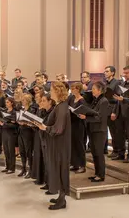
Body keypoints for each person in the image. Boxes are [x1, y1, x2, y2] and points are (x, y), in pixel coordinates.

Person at [37, 81, 71, 210]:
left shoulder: (62, 107)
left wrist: (45, 128)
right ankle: (60, 197)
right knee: (57, 169)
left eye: (51, 91)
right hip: (57, 143)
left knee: (61, 169)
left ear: (57, 92)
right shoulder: (59, 106)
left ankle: (62, 201)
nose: (50, 93)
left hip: (60, 145)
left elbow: (59, 129)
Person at [78, 81, 108, 182]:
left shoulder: (104, 101)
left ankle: (101, 175)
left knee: (99, 153)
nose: (92, 91)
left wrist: (85, 117)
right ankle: (97, 173)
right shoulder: (96, 100)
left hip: (99, 130)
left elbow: (99, 117)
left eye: (94, 89)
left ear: (99, 90)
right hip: (93, 129)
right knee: (94, 152)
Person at [112, 65, 129, 163]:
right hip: (119, 112)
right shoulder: (122, 84)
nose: (125, 75)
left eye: (127, 73)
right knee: (120, 134)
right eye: (124, 73)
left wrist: (124, 99)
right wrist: (114, 112)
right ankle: (121, 154)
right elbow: (117, 99)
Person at [37, 93, 56, 191]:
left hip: (50, 139)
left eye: (44, 100)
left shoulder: (53, 112)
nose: (41, 102)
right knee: (46, 162)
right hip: (43, 138)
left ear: (50, 101)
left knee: (50, 163)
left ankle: (53, 186)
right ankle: (48, 183)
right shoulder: (43, 111)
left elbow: (50, 126)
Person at [68, 82, 86, 173]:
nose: (71, 90)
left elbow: (83, 112)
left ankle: (82, 165)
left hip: (78, 124)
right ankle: (74, 164)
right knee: (72, 145)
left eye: (73, 88)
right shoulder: (71, 98)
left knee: (79, 145)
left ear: (78, 89)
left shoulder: (82, 100)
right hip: (71, 123)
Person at [104, 66, 121, 160]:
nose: (105, 73)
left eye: (107, 71)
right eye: (104, 71)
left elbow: (117, 97)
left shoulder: (117, 83)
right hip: (107, 108)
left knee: (115, 131)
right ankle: (114, 150)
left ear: (113, 73)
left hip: (113, 108)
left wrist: (114, 111)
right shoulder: (106, 83)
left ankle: (117, 150)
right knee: (111, 130)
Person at [17, 94, 35, 178]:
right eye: (22, 100)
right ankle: (23, 168)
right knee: (22, 151)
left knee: (28, 152)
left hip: (28, 133)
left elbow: (33, 122)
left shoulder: (32, 110)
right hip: (21, 131)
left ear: (28, 101)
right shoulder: (22, 109)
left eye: (23, 100)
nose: (22, 102)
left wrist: (26, 123)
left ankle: (31, 170)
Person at [0, 97, 18, 174]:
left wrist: (4, 124)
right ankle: (7, 167)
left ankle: (12, 168)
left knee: (11, 151)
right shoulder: (4, 111)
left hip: (11, 133)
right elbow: (5, 122)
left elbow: (14, 125)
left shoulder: (14, 112)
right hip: (4, 133)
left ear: (11, 103)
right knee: (6, 151)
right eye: (6, 102)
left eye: (7, 102)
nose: (6, 104)